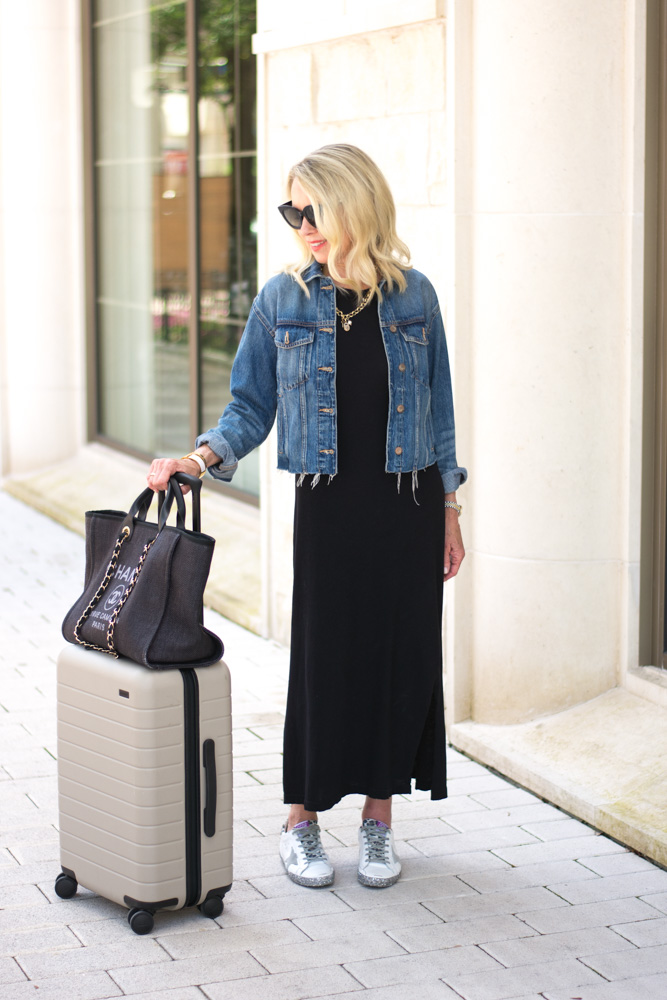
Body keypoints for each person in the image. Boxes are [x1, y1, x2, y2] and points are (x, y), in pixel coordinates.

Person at [148, 143, 467, 890]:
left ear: (350, 204)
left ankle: (378, 822)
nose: (300, 225)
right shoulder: (281, 299)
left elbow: (440, 411)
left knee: (400, 659)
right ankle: (300, 822)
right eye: (291, 212)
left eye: (309, 209)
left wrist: (450, 509)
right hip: (329, 508)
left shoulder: (414, 297)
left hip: (409, 503)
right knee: (326, 662)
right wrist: (201, 457)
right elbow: (250, 406)